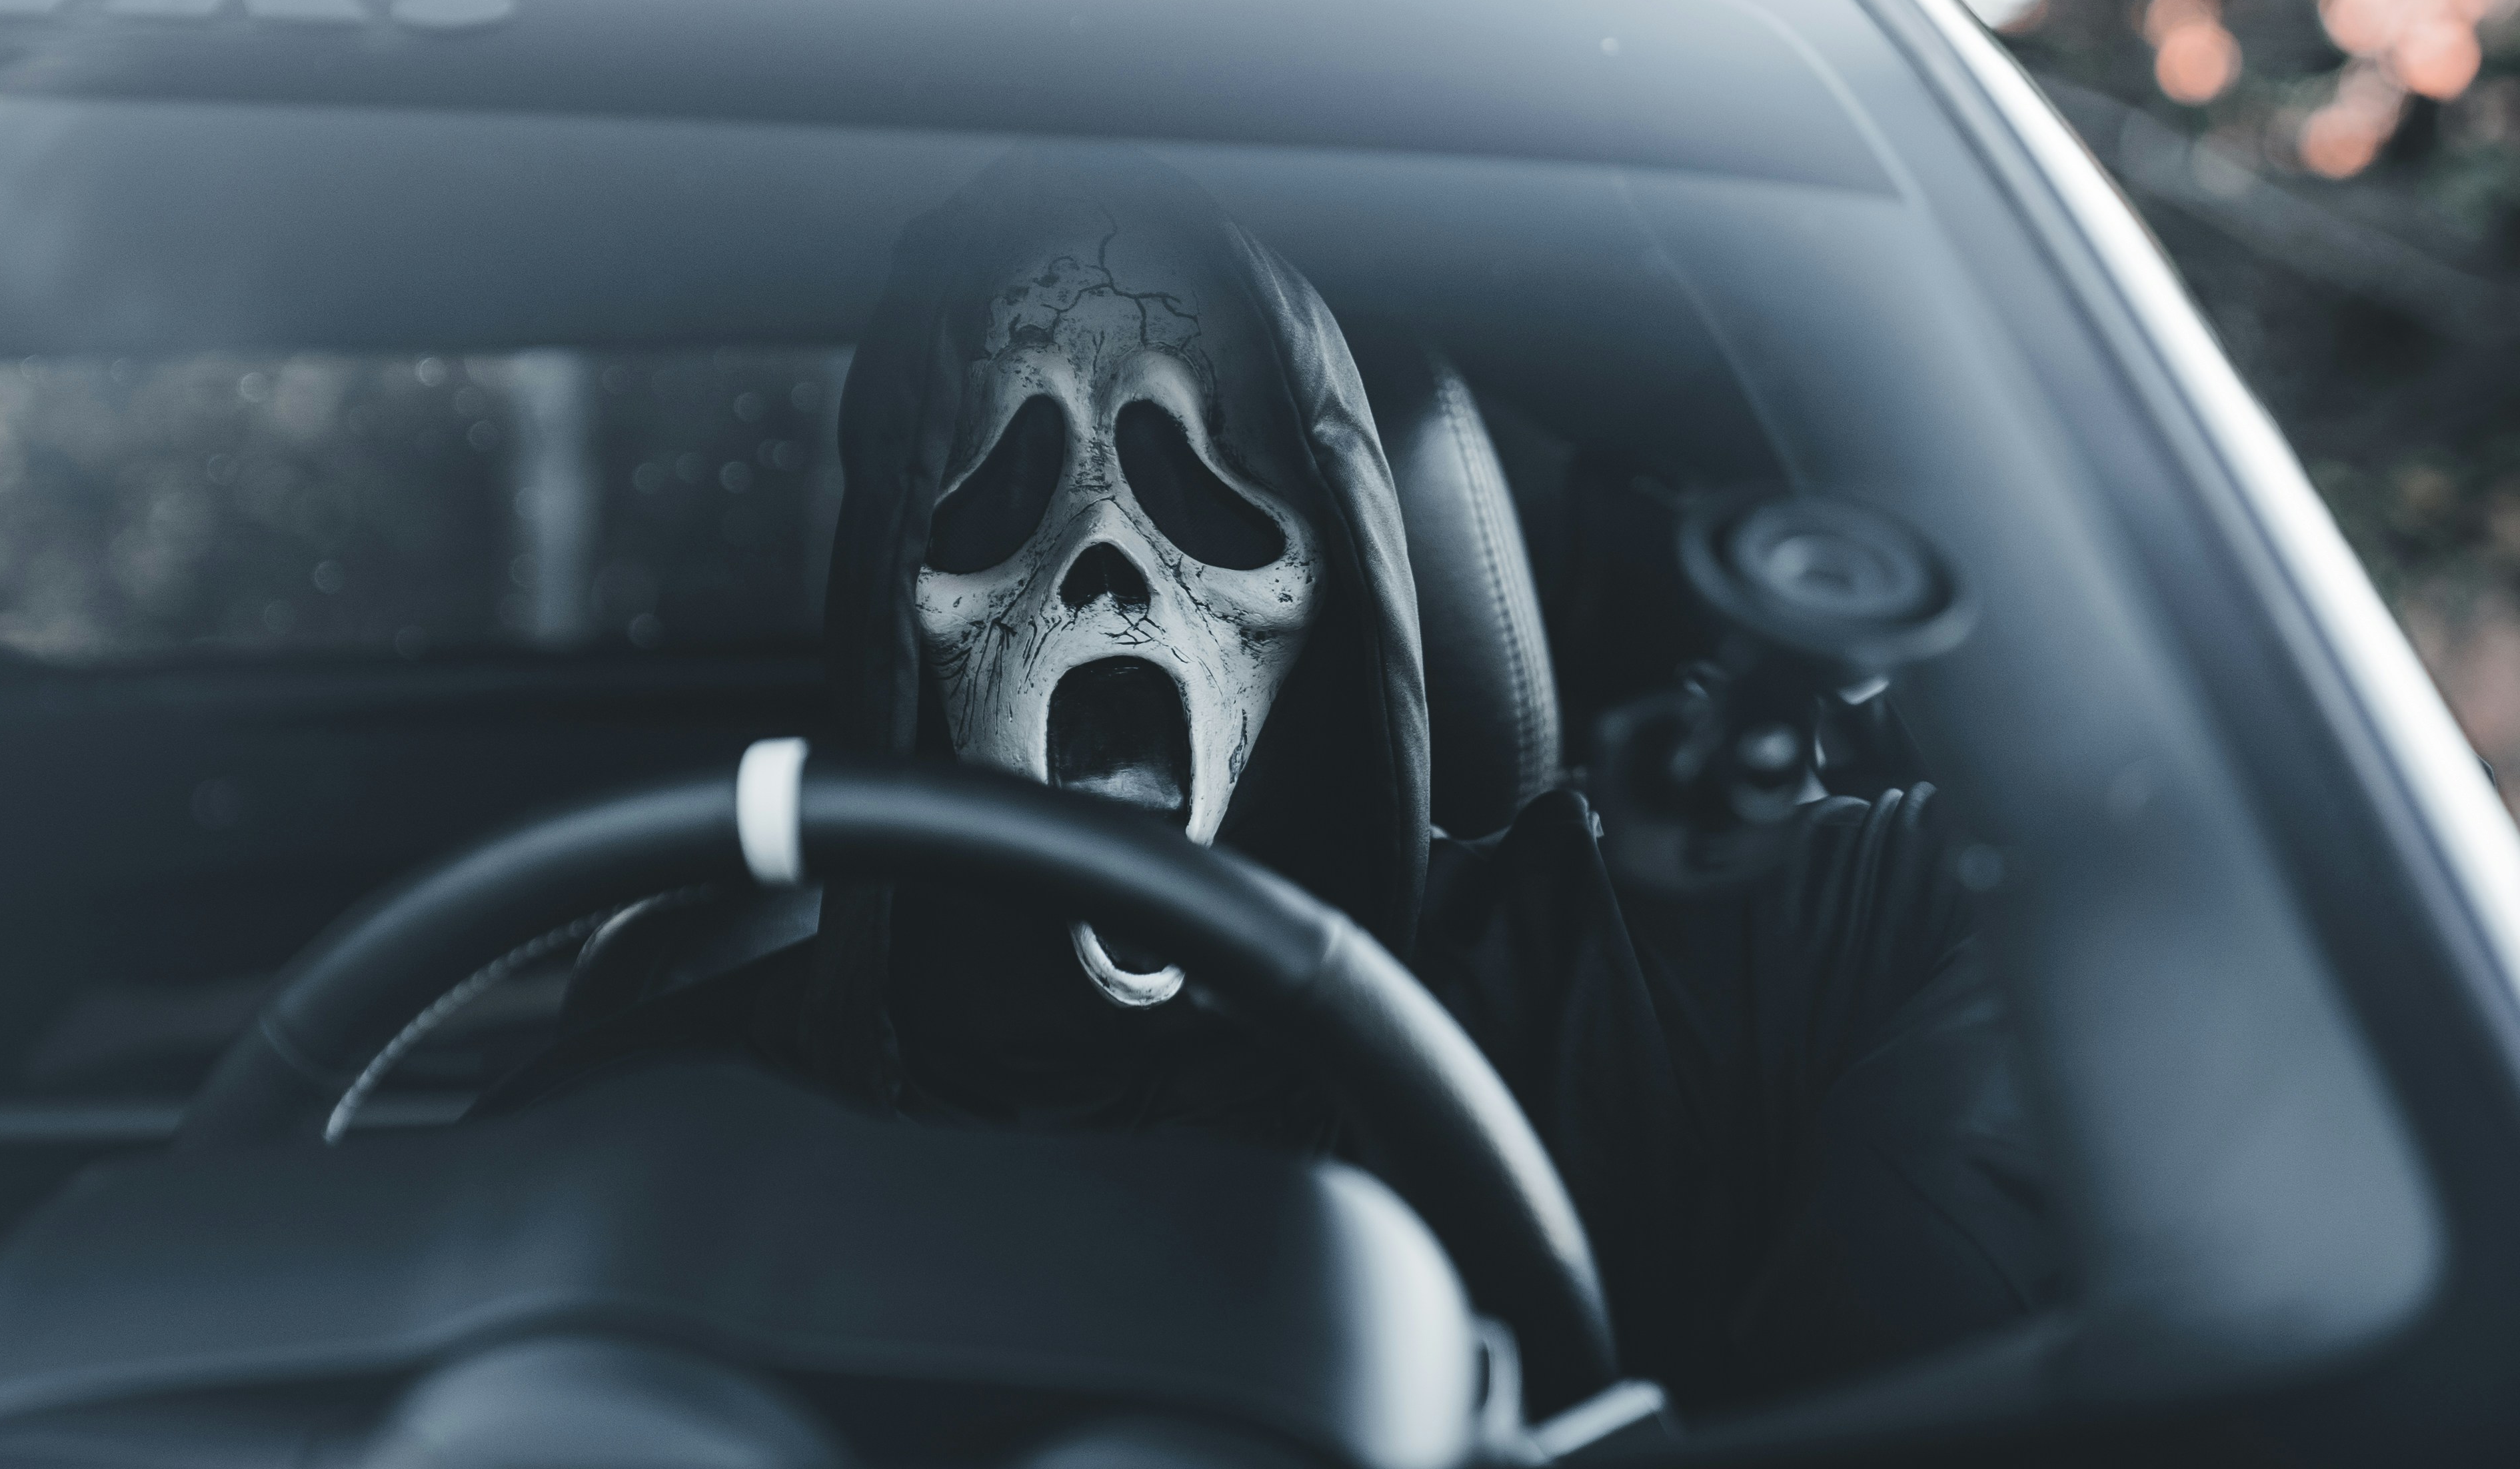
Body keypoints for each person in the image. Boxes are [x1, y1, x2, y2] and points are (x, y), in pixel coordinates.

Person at [506, 150, 2060, 1408]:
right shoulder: (673, 1125)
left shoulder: (1635, 968)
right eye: (998, 484)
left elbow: (2111, 876)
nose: (1106, 572)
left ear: (1342, 566)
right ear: (893, 584)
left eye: (1201, 486)